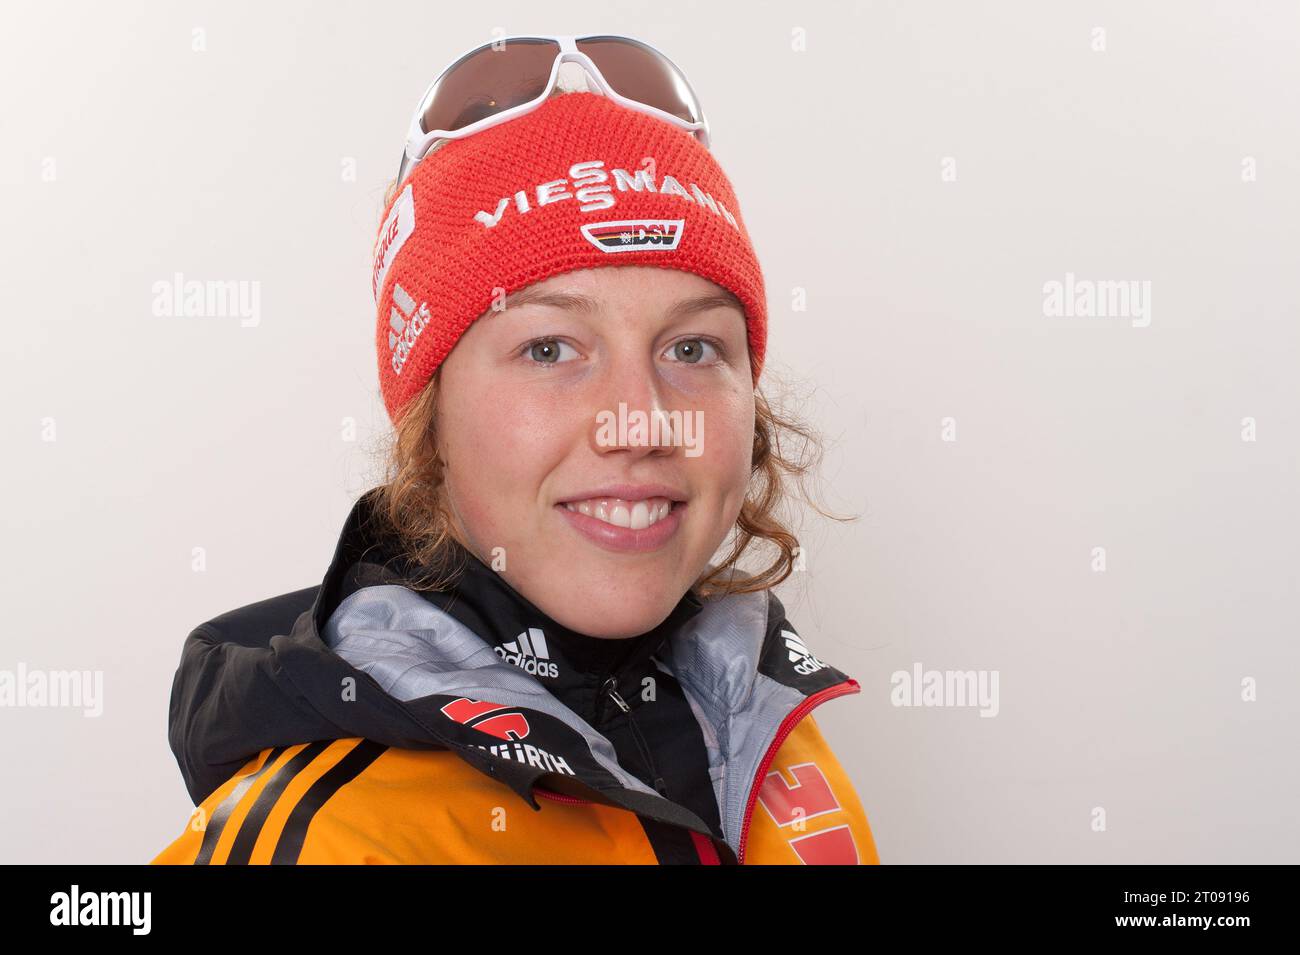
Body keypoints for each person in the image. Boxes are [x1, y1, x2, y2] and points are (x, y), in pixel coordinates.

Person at [152, 34, 880, 865]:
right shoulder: (335, 842)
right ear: (428, 418)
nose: (638, 423)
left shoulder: (770, 744)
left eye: (691, 349)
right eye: (549, 349)